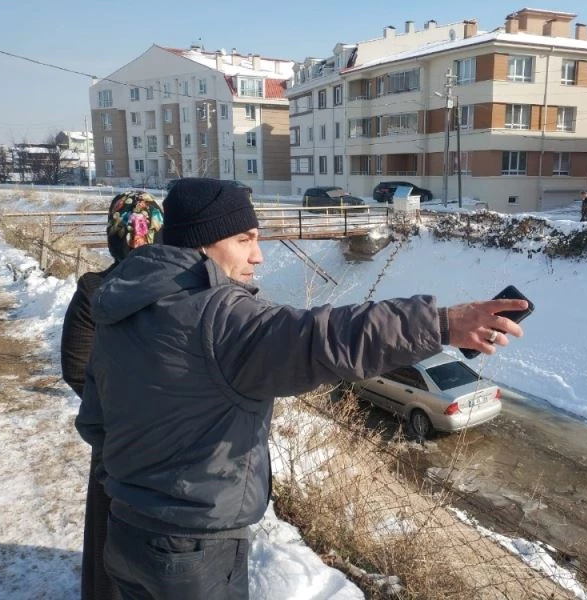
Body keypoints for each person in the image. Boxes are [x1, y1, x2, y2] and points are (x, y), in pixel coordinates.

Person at [76, 178, 528, 600]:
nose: (259, 257)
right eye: (244, 239)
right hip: (192, 550)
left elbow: (95, 421)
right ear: (203, 243)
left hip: (124, 530)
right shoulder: (219, 317)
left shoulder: (121, 303)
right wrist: (442, 324)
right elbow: (327, 337)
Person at [61, 191, 164, 600]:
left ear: (113, 237)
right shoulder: (181, 290)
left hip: (115, 434)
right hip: (171, 435)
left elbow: (74, 365)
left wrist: (116, 411)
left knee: (110, 528)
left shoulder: (94, 289)